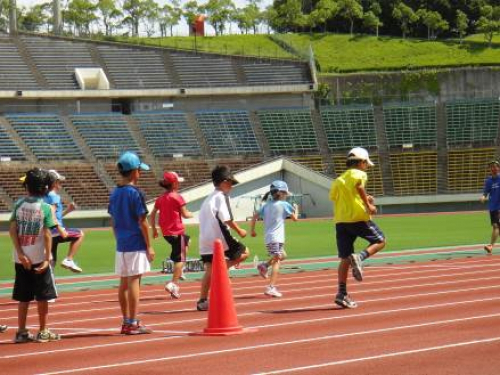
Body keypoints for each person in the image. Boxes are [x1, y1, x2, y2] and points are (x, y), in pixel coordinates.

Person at [329, 147, 386, 309]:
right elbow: (359, 186)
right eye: (366, 163)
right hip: (358, 218)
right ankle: (360, 257)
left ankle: (341, 293)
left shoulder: (339, 180)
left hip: (341, 221)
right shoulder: (359, 174)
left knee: (345, 258)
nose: (366, 166)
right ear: (361, 162)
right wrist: (368, 205)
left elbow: (335, 197)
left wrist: (362, 198)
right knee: (381, 240)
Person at [10, 168, 60, 343]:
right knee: (43, 297)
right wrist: (48, 258)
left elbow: (12, 230)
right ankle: (43, 330)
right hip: (39, 259)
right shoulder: (46, 208)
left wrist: (21, 253)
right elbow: (47, 233)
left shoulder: (18, 205)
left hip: (20, 259)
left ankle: (22, 331)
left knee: (23, 297)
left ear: (27, 187)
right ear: (45, 188)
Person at [108, 151, 155, 335]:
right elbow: (142, 221)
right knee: (135, 281)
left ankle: (126, 321)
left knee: (123, 283)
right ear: (134, 171)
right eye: (139, 170)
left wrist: (118, 237)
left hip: (122, 243)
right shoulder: (136, 193)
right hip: (135, 242)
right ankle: (133, 322)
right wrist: (149, 245)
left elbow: (113, 220)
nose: (140, 173)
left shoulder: (115, 193)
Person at [197, 165, 250, 311]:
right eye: (230, 183)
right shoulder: (221, 197)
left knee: (209, 268)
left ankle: (202, 301)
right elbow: (226, 219)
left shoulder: (208, 198)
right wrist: (240, 231)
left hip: (204, 240)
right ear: (223, 182)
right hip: (219, 238)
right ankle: (219, 271)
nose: (231, 187)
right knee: (245, 252)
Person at [250, 180, 298, 298]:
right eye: (285, 193)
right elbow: (295, 219)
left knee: (283, 255)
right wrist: (296, 208)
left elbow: (254, 216)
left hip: (270, 238)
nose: (286, 195)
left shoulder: (266, 206)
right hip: (276, 238)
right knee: (277, 261)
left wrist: (252, 230)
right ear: (281, 193)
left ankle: (264, 266)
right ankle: (271, 287)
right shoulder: (284, 204)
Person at [150, 171, 193, 299]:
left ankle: (179, 270)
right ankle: (173, 283)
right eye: (177, 182)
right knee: (181, 258)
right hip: (177, 232)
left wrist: (154, 230)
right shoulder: (177, 197)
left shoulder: (160, 199)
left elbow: (152, 215)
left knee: (187, 243)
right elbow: (185, 214)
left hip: (167, 234)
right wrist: (193, 214)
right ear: (174, 183)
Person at [44, 169, 84, 273]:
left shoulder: (45, 196)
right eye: (59, 181)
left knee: (50, 263)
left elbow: (53, 216)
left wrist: (68, 210)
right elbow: (52, 215)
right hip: (55, 231)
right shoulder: (54, 196)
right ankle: (69, 259)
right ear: (54, 183)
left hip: (48, 233)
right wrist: (60, 229)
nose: (61, 184)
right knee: (80, 234)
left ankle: (47, 284)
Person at [481, 160, 500, 254]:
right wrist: (483, 197)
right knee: (496, 227)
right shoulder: (488, 181)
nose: (493, 168)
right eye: (491, 167)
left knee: (496, 226)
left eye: (495, 166)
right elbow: (486, 192)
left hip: (499, 207)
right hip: (492, 207)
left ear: (498, 168)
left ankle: (491, 246)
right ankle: (491, 245)